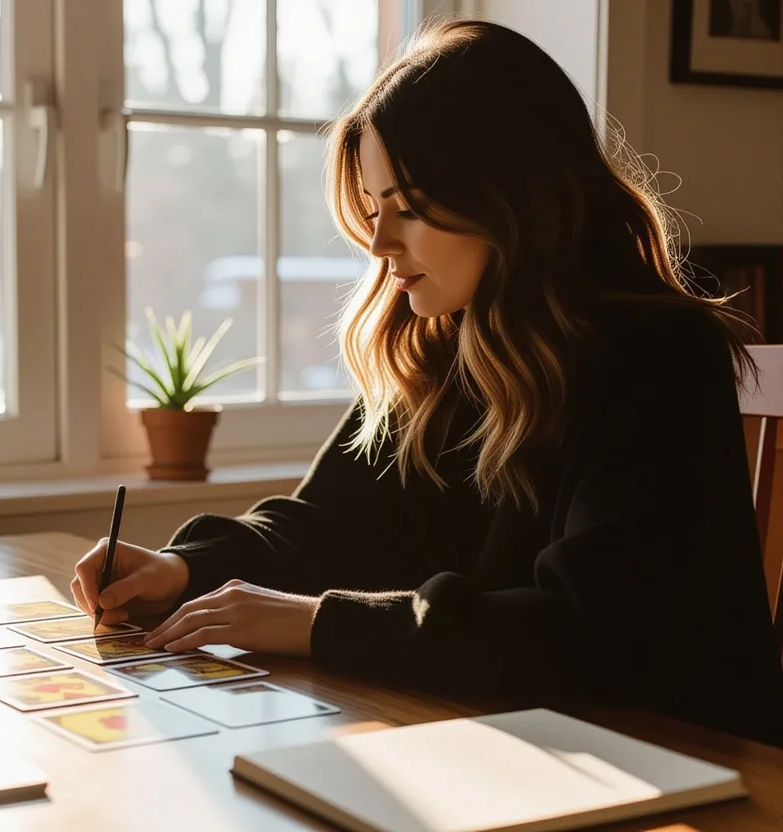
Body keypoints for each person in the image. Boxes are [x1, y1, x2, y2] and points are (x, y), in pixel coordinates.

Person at [71, 19, 783, 747]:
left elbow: (588, 633)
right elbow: (327, 522)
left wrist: (321, 623)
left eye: (407, 209)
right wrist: (182, 567)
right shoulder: (447, 338)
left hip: (676, 763)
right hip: (509, 739)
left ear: (512, 197)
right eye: (376, 210)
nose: (379, 246)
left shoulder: (659, 356)